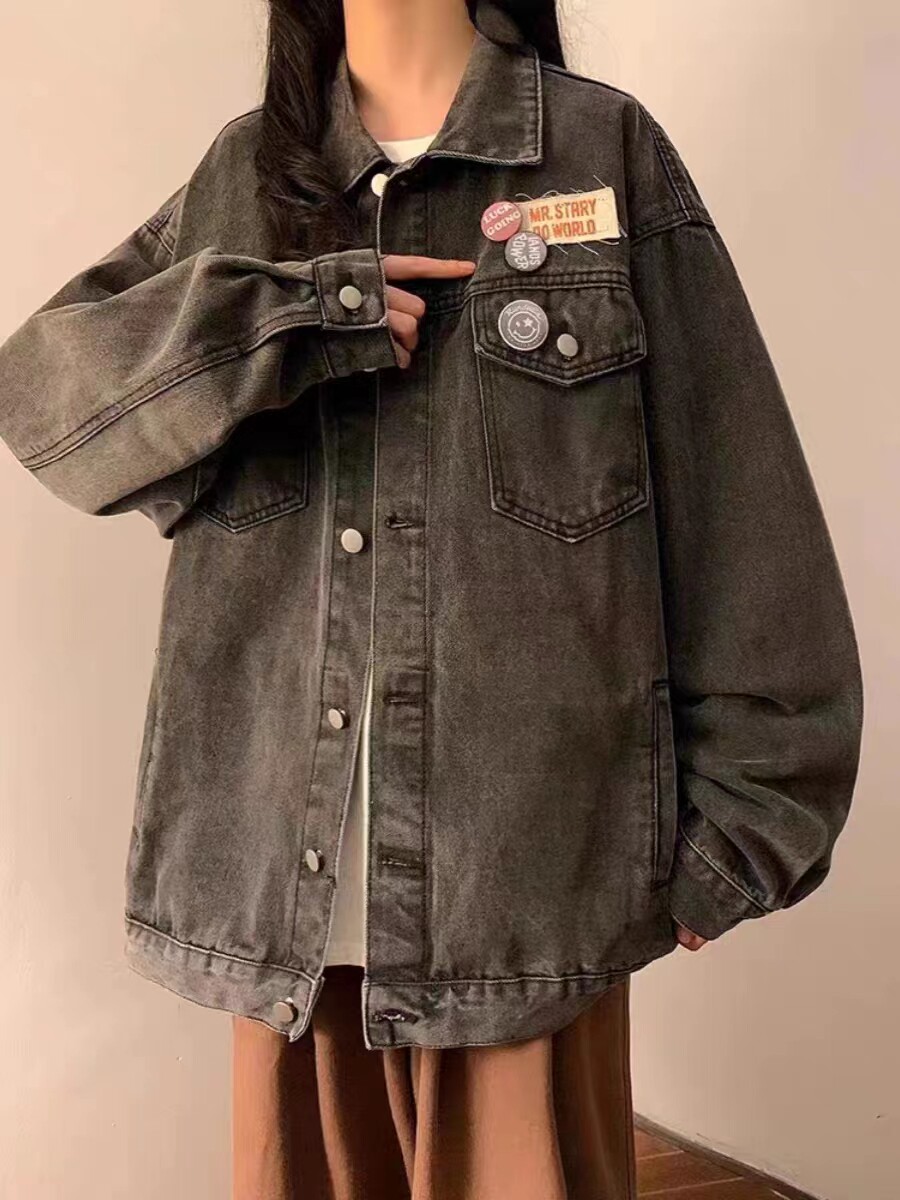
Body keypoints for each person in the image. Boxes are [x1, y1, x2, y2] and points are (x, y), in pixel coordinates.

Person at [0, 1, 863, 1197]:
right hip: (283, 912)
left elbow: (735, 493)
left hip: (526, 896)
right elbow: (47, 406)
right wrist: (294, 317)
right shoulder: (249, 176)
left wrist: (749, 827)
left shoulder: (601, 152)